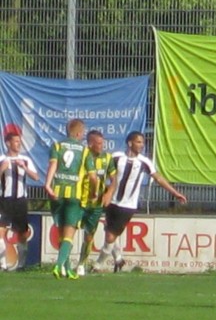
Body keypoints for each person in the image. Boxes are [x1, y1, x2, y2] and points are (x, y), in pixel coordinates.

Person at [96, 131, 187, 271]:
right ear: (130, 143)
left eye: (142, 142)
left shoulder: (144, 162)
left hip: (127, 206)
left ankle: (97, 266)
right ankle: (119, 259)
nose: (142, 145)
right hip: (112, 201)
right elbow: (103, 174)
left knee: (110, 236)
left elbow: (158, 178)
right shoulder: (116, 157)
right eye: (138, 142)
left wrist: (175, 193)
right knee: (109, 230)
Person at [44, 118, 87, 279]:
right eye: (82, 133)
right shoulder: (84, 151)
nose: (83, 136)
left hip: (57, 192)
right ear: (78, 133)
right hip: (74, 195)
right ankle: (58, 265)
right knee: (69, 233)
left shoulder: (57, 146)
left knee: (62, 232)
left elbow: (53, 166)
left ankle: (68, 269)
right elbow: (91, 176)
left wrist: (48, 185)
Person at [75, 130, 117, 276]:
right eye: (98, 143)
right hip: (78, 201)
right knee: (69, 231)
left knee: (89, 235)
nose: (101, 146)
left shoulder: (107, 158)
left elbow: (114, 180)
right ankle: (63, 263)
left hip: (96, 204)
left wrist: (109, 193)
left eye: (102, 143)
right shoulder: (81, 156)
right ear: (90, 144)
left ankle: (81, 263)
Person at [0, 131, 39, 270]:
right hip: (5, 200)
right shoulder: (2, 159)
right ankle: (3, 264)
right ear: (8, 143)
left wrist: (24, 167)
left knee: (22, 233)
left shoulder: (25, 160)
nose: (19, 144)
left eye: (19, 141)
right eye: (16, 141)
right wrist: (1, 169)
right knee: (1, 231)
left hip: (20, 201)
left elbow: (36, 177)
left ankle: (21, 265)